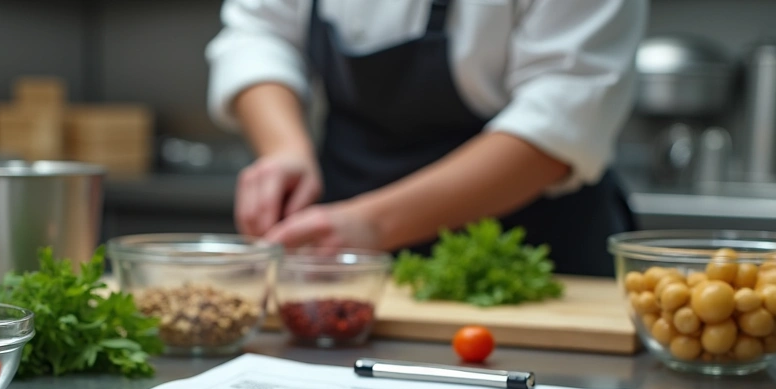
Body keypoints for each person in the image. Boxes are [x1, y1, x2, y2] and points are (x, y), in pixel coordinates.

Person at [206, 0, 646, 276]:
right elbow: (259, 33)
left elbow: (565, 114)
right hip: (344, 259)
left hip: (531, 258)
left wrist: (373, 224)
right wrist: (285, 149)